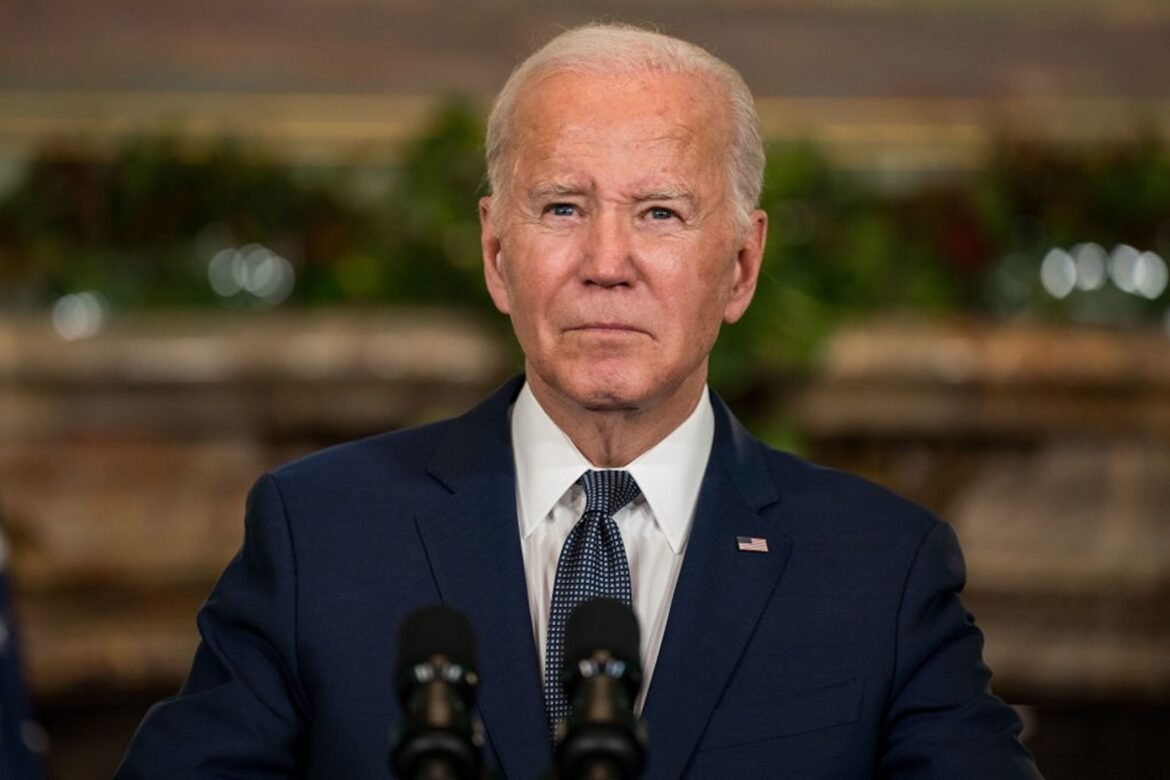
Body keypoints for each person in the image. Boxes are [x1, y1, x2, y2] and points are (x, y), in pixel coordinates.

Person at [119, 23, 1042, 779]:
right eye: (562, 207)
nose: (607, 264)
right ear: (495, 254)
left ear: (742, 266)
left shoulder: (879, 569)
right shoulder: (320, 533)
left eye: (660, 213)